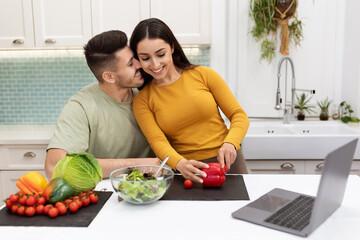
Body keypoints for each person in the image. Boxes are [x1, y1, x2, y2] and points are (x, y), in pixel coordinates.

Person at [130, 18, 250, 183]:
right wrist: (180, 164)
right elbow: (158, 141)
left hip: (228, 163)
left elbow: (239, 115)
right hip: (188, 171)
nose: (155, 64)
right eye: (145, 58)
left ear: (172, 47)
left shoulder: (204, 75)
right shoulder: (143, 100)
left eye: (160, 54)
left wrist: (231, 143)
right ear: (138, 59)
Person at [45, 30, 159, 180]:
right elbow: (54, 167)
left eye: (136, 58)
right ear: (109, 77)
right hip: (103, 192)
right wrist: (135, 165)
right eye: (131, 63)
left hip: (153, 188)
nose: (140, 64)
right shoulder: (81, 106)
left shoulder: (150, 93)